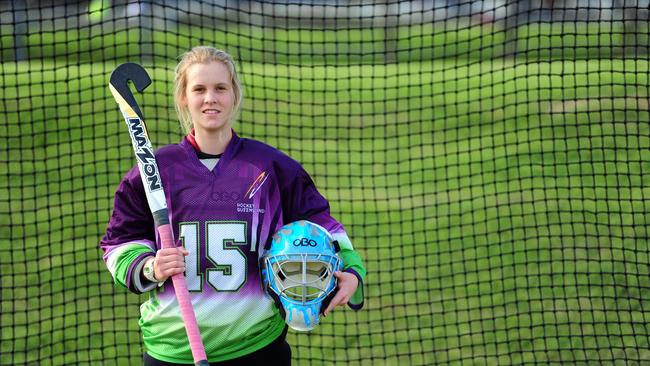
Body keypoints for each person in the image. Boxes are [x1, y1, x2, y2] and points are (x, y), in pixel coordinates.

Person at [99, 46, 366, 365]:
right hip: (173, 350)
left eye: (220, 88)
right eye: (199, 89)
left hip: (257, 347)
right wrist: (149, 267)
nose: (210, 98)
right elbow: (118, 244)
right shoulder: (155, 170)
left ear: (235, 95)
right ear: (184, 98)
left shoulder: (271, 167)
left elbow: (322, 225)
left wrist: (351, 270)